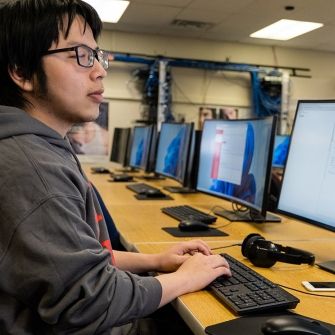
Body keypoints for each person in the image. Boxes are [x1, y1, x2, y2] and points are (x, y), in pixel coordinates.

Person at [0, 1, 231, 334]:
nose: (100, 70)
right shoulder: (31, 167)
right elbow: (90, 302)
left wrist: (155, 261)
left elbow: (74, 261)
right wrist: (184, 278)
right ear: (21, 71)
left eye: (97, 56)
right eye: (80, 55)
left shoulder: (41, 147)